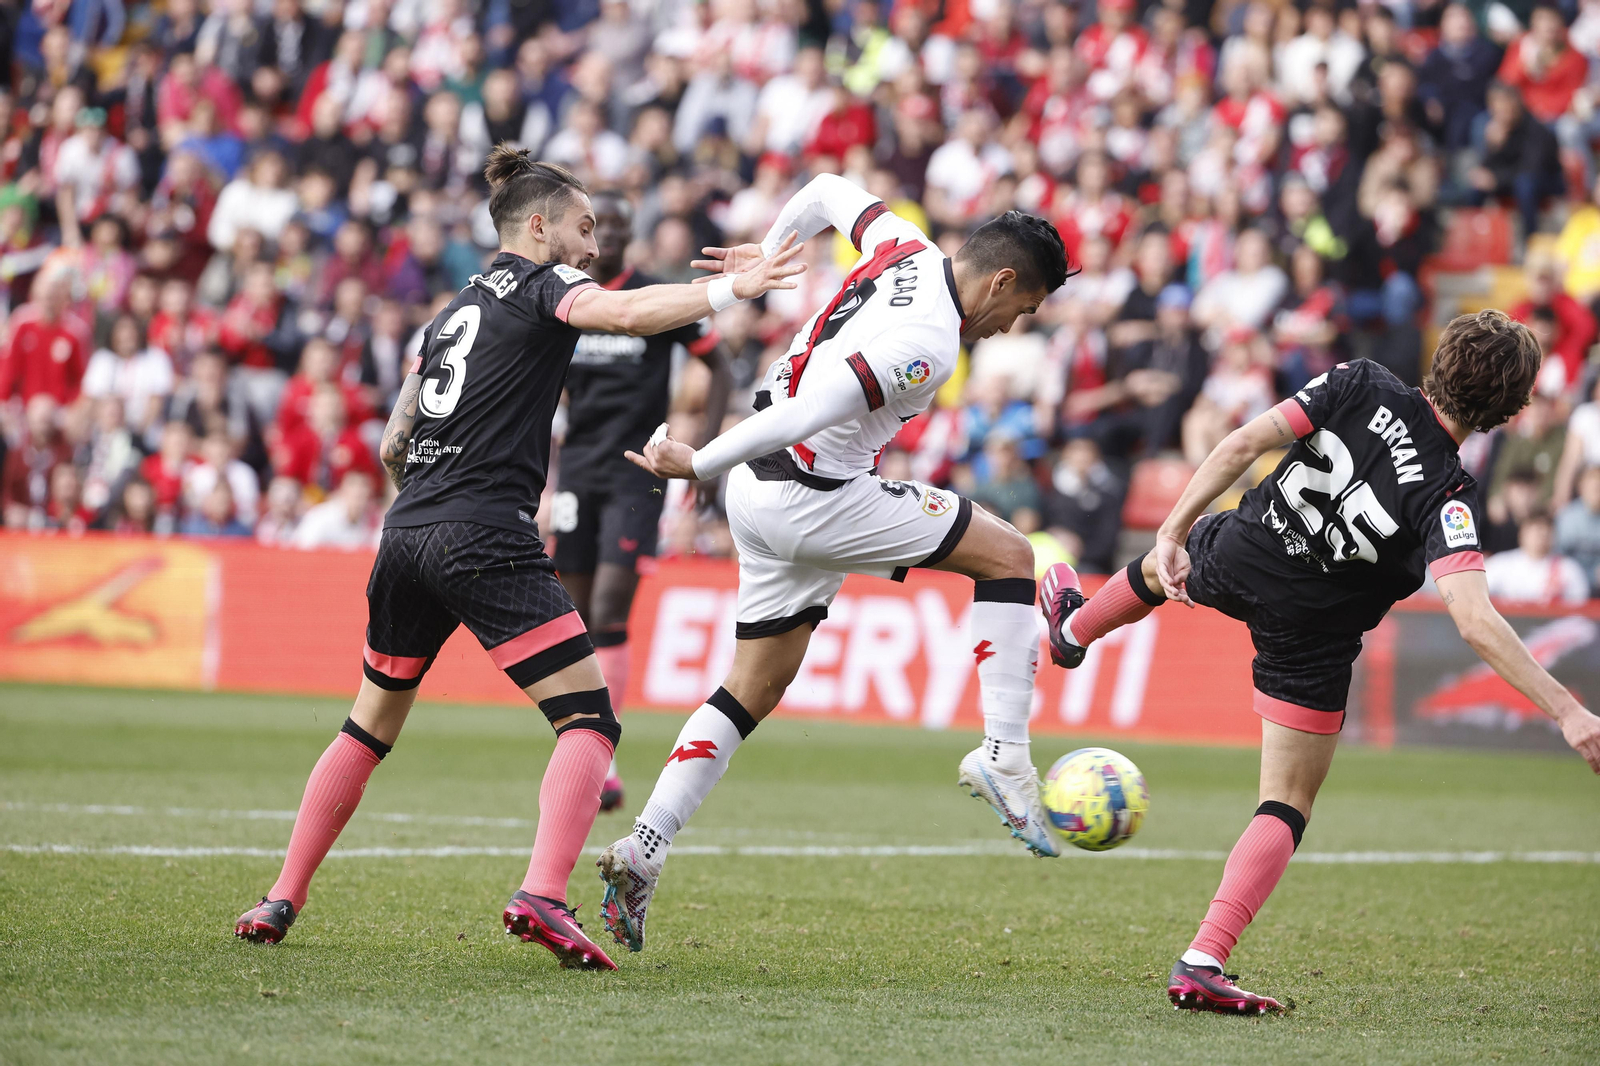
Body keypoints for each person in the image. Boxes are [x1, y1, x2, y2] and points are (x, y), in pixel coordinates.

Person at [232, 148, 804, 972]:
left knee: (368, 722)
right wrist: (730, 290)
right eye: (582, 227)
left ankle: (282, 895)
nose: (592, 246)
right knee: (590, 720)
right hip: (483, 531)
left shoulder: (449, 312)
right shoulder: (542, 287)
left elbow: (396, 440)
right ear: (536, 227)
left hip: (405, 533)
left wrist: (432, 494)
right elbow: (632, 314)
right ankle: (541, 892)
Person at [1036, 313, 1600, 1014]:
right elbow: (1475, 620)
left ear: (1440, 356)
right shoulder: (1448, 495)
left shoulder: (1361, 382)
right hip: (1313, 633)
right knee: (1286, 802)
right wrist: (1569, 711)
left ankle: (1074, 629)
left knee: (1169, 566)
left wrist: (1173, 529)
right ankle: (1202, 959)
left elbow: (1245, 441)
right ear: (1510, 412)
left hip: (1248, 550)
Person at [597, 174, 1072, 956]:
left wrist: (776, 249)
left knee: (755, 685)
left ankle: (644, 849)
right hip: (804, 491)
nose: (1011, 327)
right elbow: (812, 410)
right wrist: (699, 462)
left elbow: (822, 189)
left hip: (761, 490)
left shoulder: (902, 245)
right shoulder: (928, 345)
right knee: (1010, 556)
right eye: (1021, 310)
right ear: (1002, 280)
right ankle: (1005, 757)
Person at [551, 191, 734, 812]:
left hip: (637, 471)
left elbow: (723, 368)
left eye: (627, 223)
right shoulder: (565, 298)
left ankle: (600, 758)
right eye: (606, 224)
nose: (617, 233)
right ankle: (579, 741)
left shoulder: (655, 299)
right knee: (573, 617)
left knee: (607, 609)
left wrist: (704, 451)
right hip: (576, 470)